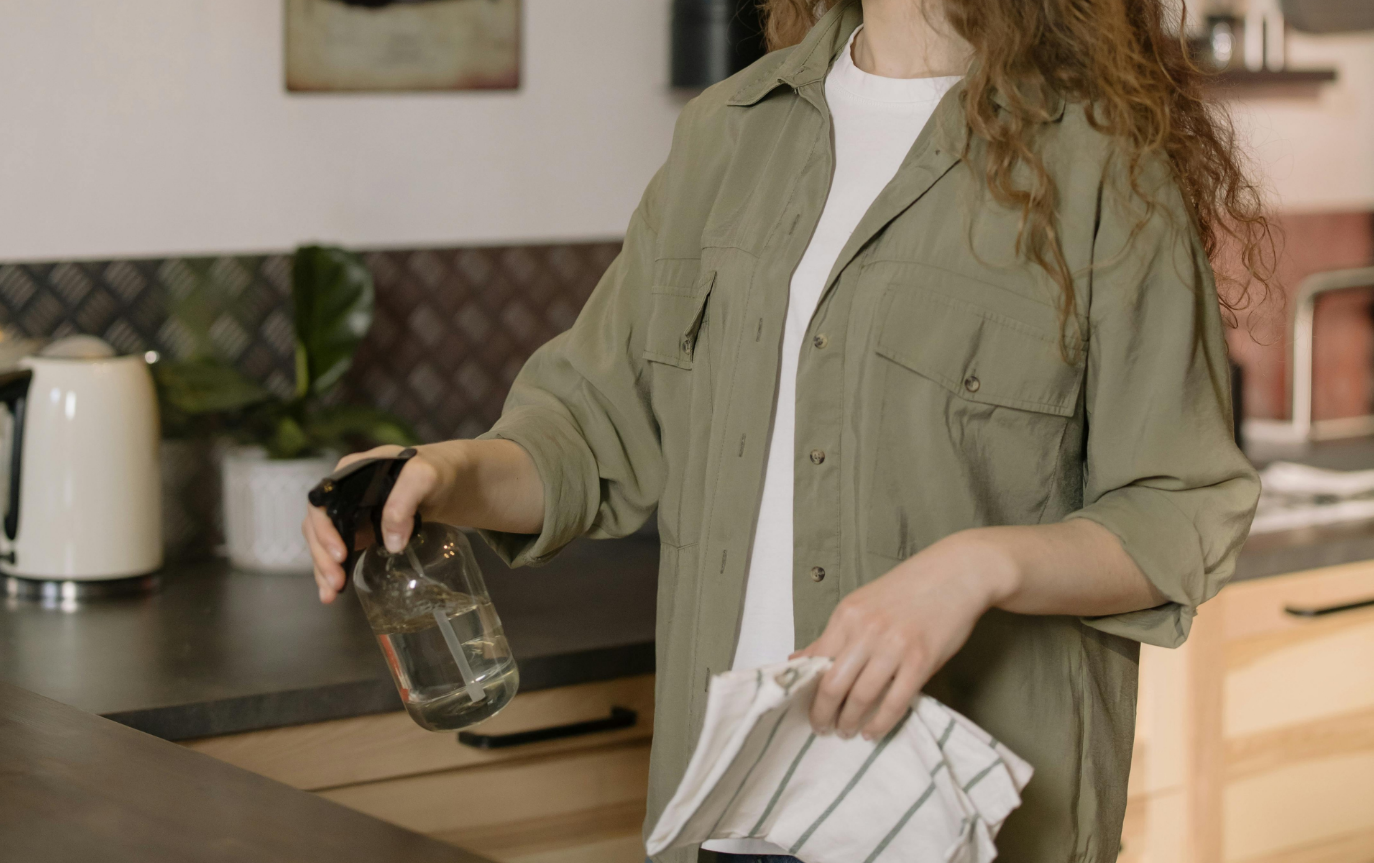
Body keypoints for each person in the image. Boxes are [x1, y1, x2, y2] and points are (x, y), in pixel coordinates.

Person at [304, 0, 1268, 860]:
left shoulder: (1102, 160)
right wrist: (442, 472)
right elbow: (590, 434)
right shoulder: (727, 135)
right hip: (724, 814)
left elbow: (1180, 507)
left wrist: (976, 566)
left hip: (961, 828)